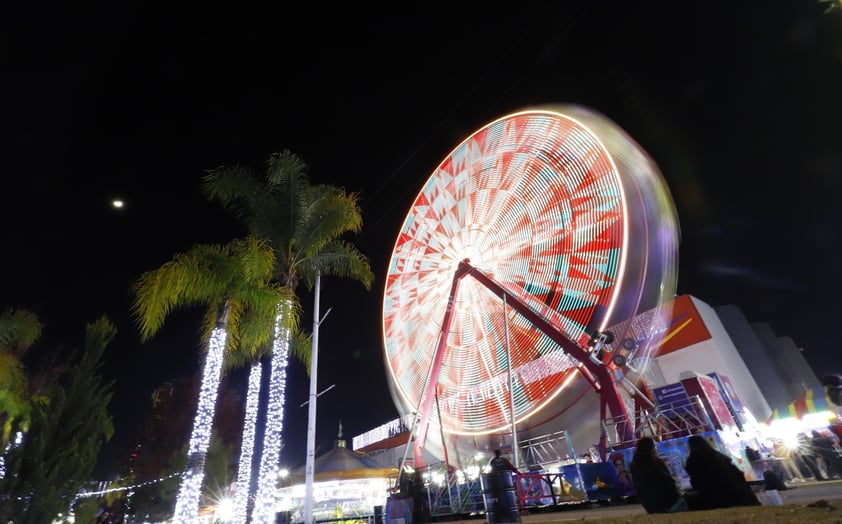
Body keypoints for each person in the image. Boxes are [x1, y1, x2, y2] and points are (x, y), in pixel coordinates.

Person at [684, 435, 760, 510]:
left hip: (716, 498)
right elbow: (738, 474)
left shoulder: (692, 461)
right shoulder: (719, 456)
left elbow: (696, 481)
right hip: (739, 493)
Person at [629, 437, 688, 514]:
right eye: (655, 446)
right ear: (651, 449)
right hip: (668, 504)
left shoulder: (634, 466)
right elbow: (668, 483)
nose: (656, 448)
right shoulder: (655, 463)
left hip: (650, 507)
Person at [487, 449, 519, 523]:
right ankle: (511, 517)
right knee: (509, 500)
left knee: (498, 502)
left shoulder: (493, 461)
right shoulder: (504, 460)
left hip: (495, 484)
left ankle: (498, 519)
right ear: (500, 453)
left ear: (495, 454)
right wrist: (518, 473)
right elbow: (511, 468)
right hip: (506, 482)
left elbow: (492, 471)